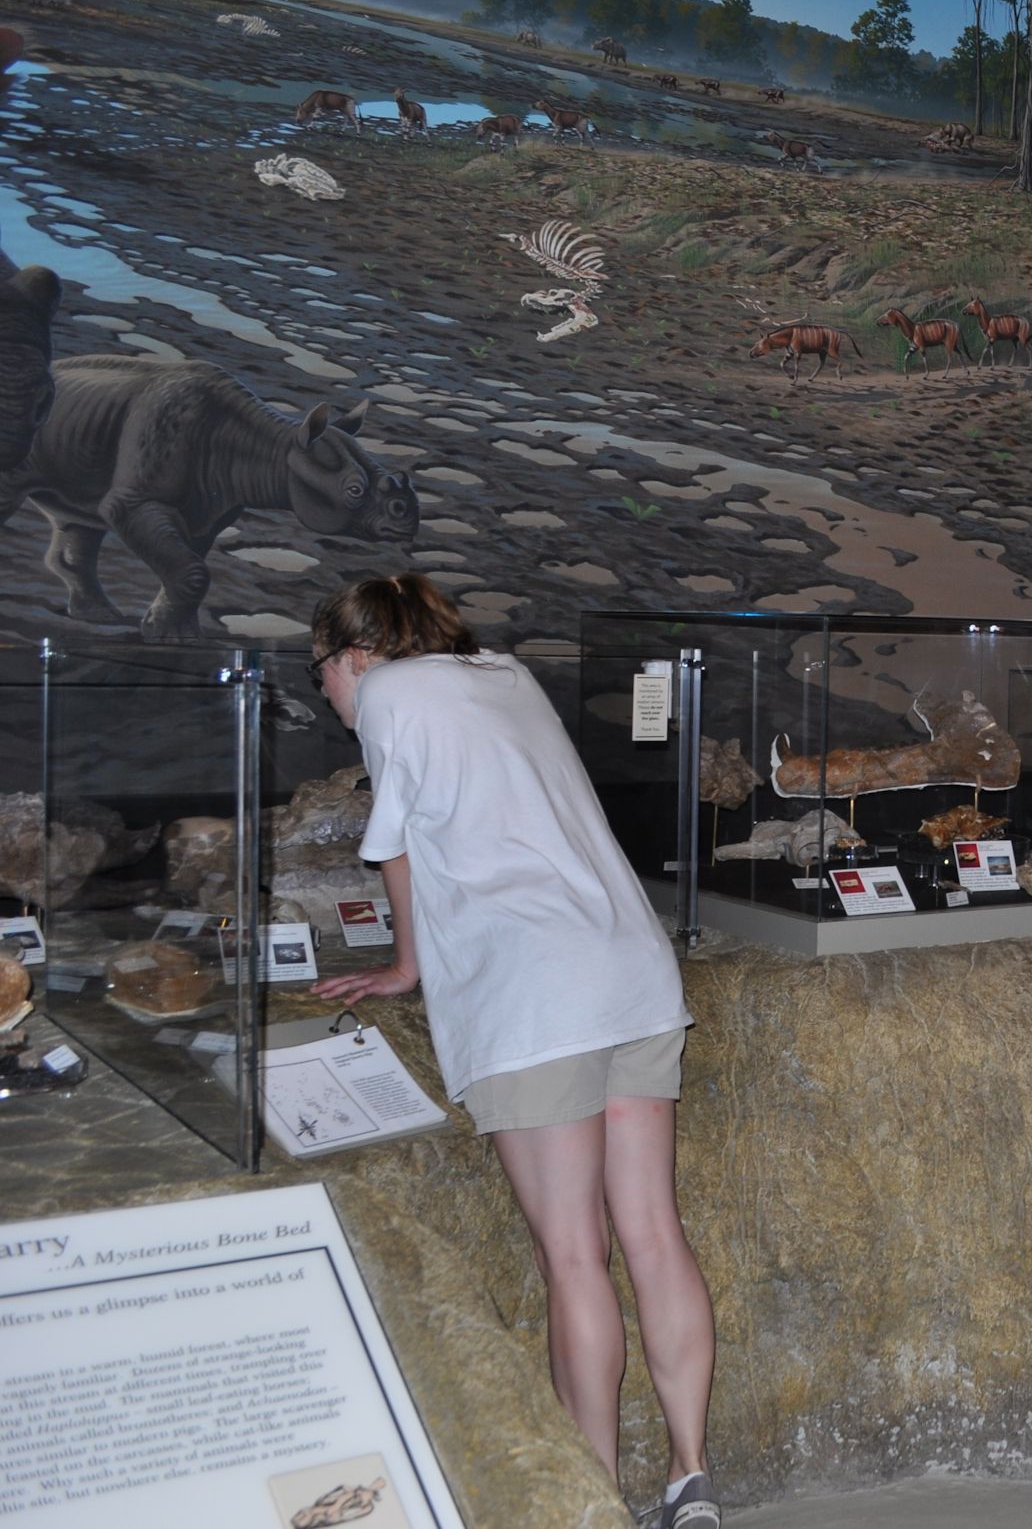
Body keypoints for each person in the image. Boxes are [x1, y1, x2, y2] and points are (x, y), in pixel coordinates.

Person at [307, 573, 720, 1529]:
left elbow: (395, 847)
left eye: (320, 669)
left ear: (355, 655)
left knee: (572, 1254)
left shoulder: (388, 692)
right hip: (629, 967)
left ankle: (591, 1501)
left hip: (538, 991)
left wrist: (406, 964)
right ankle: (689, 1478)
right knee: (653, 1231)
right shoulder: (503, 673)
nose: (325, 691)